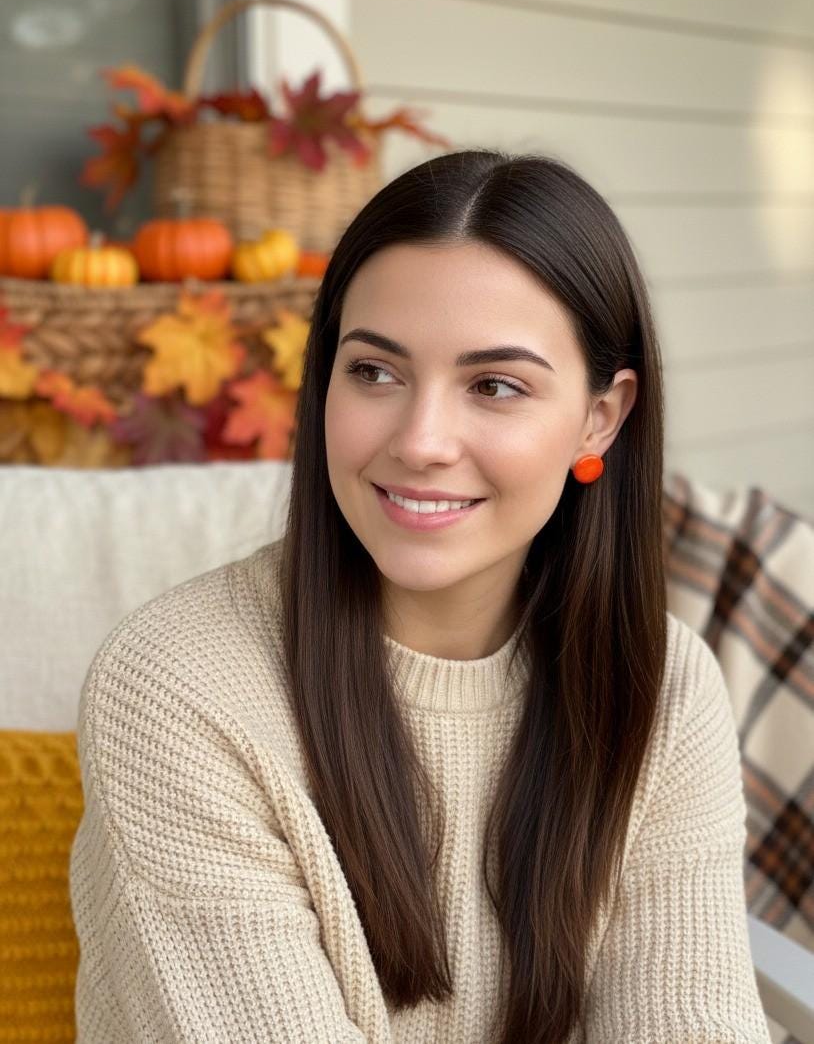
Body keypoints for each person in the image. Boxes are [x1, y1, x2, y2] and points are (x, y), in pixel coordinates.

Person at [68, 149, 772, 1043]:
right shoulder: (175, 687)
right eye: (375, 371)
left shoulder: (664, 688)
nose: (422, 439)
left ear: (601, 416)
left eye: (494, 385)